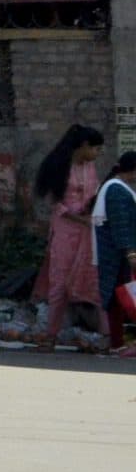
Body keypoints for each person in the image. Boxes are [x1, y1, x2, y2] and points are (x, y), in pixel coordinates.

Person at [31, 125, 105, 352]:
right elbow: (55, 203)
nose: (97, 153)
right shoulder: (59, 165)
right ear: (83, 146)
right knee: (59, 284)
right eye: (95, 148)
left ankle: (107, 337)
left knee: (94, 280)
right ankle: (50, 336)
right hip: (65, 230)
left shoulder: (90, 166)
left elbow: (94, 193)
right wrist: (77, 217)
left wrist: (92, 213)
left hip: (88, 228)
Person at [95, 152, 136, 354]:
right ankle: (118, 343)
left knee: (117, 297)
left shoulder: (116, 187)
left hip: (117, 252)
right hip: (118, 254)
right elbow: (121, 225)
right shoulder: (116, 191)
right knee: (118, 297)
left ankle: (118, 343)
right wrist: (130, 253)